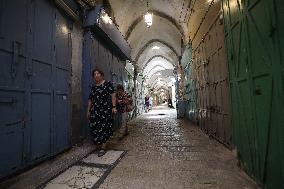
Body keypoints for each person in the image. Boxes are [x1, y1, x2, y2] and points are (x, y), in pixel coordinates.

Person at [86, 69, 117, 157]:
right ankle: (99, 144)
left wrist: (114, 107)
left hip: (106, 110)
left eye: (98, 73)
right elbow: (90, 99)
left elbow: (113, 95)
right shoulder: (94, 87)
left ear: (102, 75)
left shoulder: (107, 84)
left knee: (105, 128)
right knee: (95, 127)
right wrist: (88, 110)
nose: (96, 75)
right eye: (94, 74)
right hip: (95, 111)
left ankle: (103, 147)